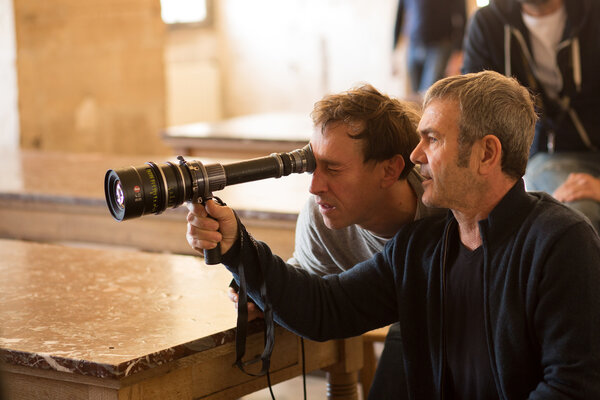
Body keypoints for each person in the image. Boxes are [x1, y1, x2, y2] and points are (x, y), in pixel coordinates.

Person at [187, 71, 600, 398]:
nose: (416, 156)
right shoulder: (422, 246)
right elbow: (325, 307)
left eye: (432, 139)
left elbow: (570, 388)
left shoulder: (560, 242)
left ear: (487, 154)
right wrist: (237, 247)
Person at [228, 84, 444, 398]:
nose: (314, 187)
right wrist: (260, 292)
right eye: (313, 166)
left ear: (390, 170)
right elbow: (310, 287)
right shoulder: (322, 217)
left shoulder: (442, 211)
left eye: (333, 168)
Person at [462, 0, 600, 232]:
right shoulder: (489, 24)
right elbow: (472, 113)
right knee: (574, 218)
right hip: (550, 158)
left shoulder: (593, 13)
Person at [392, 0, 467, 98]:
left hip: (439, 46)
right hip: (413, 46)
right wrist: (394, 51)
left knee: (428, 94)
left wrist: (458, 52)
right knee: (415, 96)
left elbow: (462, 17)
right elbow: (399, 16)